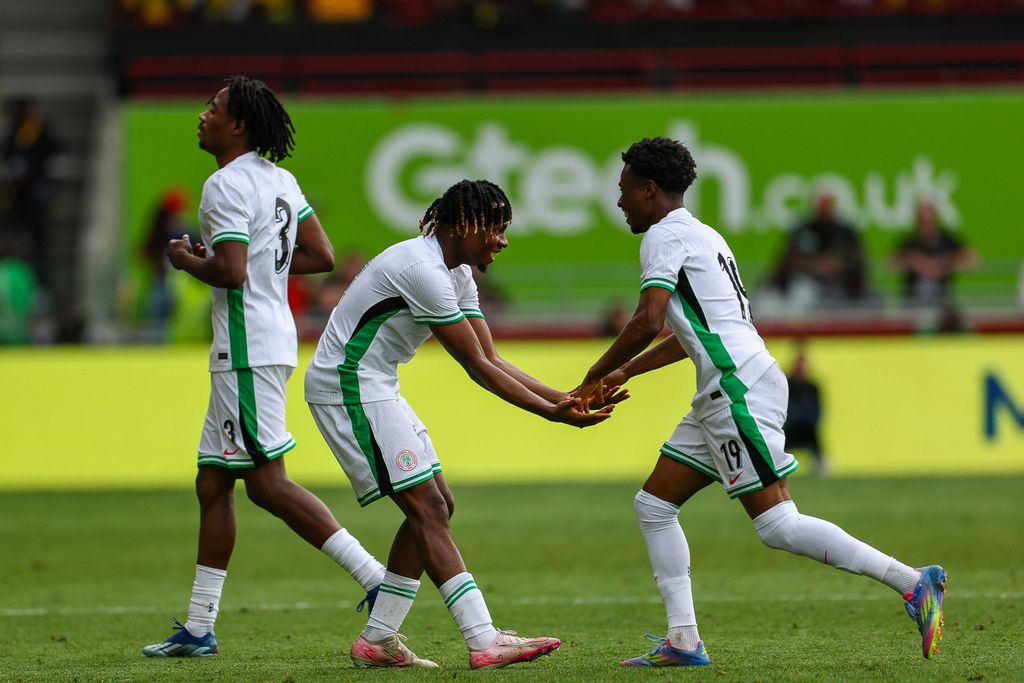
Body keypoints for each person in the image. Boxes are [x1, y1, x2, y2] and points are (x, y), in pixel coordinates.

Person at [575, 137, 945, 667]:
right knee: (654, 506)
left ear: (650, 190)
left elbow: (649, 320)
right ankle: (683, 641)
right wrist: (627, 371)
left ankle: (913, 582)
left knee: (777, 525)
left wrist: (595, 373)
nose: (620, 202)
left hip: (736, 386)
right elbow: (688, 333)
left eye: (625, 191)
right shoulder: (706, 237)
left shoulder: (661, 237)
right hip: (725, 386)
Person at [304, 179, 617, 670]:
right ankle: (483, 638)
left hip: (374, 382)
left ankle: (378, 638)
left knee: (437, 505)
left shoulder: (456, 272)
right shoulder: (421, 269)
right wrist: (553, 415)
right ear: (463, 225)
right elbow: (478, 368)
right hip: (348, 385)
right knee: (427, 506)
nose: (503, 240)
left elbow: (492, 356)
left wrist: (568, 398)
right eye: (496, 228)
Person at [143, 76, 385, 658]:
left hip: (246, 347)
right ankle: (199, 627)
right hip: (266, 339)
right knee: (213, 481)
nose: (203, 115)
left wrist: (184, 258)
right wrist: (257, 266)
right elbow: (321, 256)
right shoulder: (279, 180)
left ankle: (380, 579)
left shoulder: (223, 185)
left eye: (215, 108)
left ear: (239, 126)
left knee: (267, 484)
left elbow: (228, 272)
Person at [769, 189, 867, 304]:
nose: (824, 208)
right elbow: (788, 258)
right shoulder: (803, 230)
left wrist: (836, 264)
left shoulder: (845, 232)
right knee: (800, 293)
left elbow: (857, 257)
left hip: (841, 285)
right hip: (806, 284)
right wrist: (814, 264)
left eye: (827, 204)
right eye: (821, 204)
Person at [890, 199, 977, 308]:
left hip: (942, 299)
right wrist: (915, 262)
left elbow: (972, 259)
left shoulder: (947, 240)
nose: (926, 225)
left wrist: (944, 263)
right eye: (923, 221)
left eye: (929, 221)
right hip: (912, 300)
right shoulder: (910, 241)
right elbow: (890, 263)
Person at [783, 340, 826, 475]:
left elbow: (818, 410)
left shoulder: (813, 387)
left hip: (807, 427)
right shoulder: (786, 383)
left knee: (813, 434)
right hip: (790, 426)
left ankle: (821, 466)